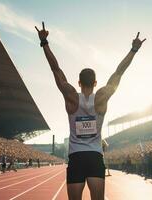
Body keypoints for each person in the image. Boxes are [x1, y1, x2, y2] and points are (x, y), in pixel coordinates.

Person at [35, 21, 146, 200]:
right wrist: (133, 50)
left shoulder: (71, 96)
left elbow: (56, 69)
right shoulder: (102, 97)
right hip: (95, 157)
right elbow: (118, 73)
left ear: (78, 82)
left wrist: (44, 43)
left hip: (76, 158)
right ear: (95, 83)